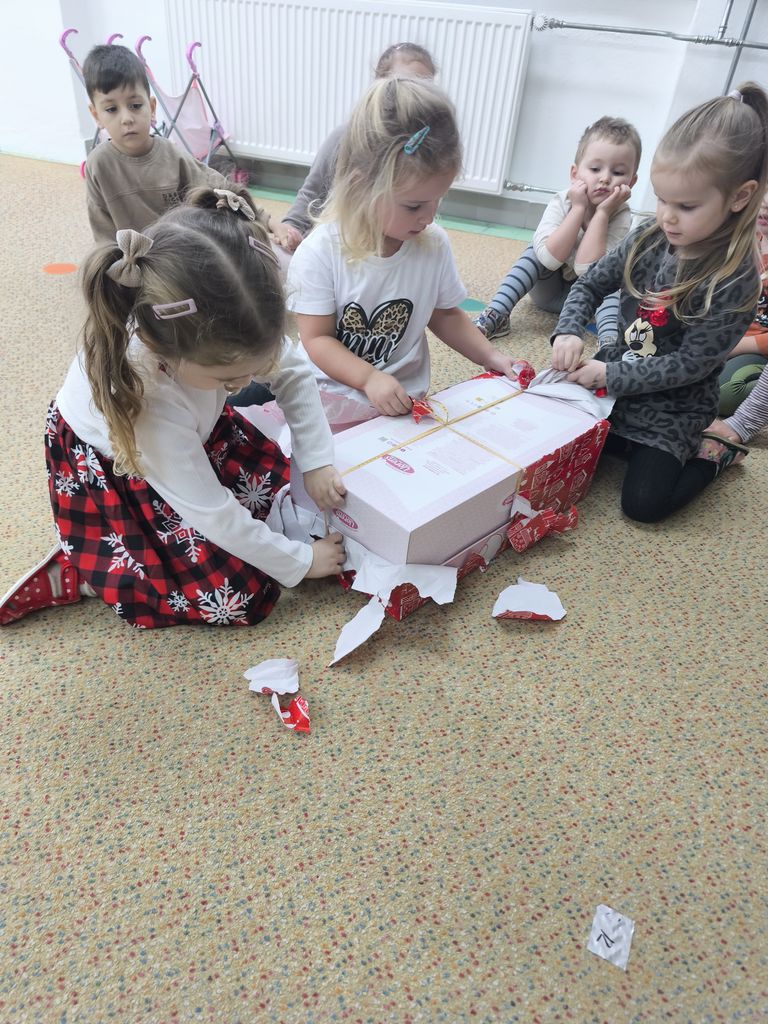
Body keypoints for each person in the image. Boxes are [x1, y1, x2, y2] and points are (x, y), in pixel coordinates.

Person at [0, 188, 346, 628]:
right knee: (237, 595)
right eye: (229, 379)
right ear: (168, 352)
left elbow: (292, 372)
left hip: (191, 427)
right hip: (124, 465)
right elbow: (211, 511)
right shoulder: (148, 400)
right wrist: (302, 562)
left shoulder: (236, 313)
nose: (243, 386)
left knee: (276, 494)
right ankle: (86, 566)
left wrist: (315, 460)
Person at [550, 83, 768, 523]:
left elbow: (690, 366)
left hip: (674, 405)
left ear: (740, 197)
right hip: (617, 379)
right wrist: (568, 330)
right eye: (662, 198)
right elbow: (589, 284)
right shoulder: (650, 237)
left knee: (644, 505)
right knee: (554, 448)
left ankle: (713, 455)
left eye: (685, 205)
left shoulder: (736, 278)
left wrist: (609, 374)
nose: (667, 216)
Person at [285, 76, 520, 427]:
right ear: (361, 186)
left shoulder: (433, 244)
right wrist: (368, 378)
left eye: (438, 200)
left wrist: (490, 355)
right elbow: (316, 338)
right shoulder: (320, 252)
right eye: (414, 206)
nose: (429, 217)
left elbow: (446, 315)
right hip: (327, 398)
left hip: (403, 400)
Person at [83, 44, 286, 247]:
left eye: (135, 106)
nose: (127, 118)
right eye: (111, 109)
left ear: (152, 108)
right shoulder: (98, 164)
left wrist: (268, 221)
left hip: (179, 255)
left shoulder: (170, 154)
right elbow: (104, 239)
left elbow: (223, 189)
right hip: (130, 261)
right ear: (96, 115)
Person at [474, 117, 642, 343]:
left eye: (618, 172)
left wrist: (602, 213)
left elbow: (589, 270)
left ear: (631, 182)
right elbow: (549, 259)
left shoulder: (620, 215)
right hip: (548, 293)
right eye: (595, 169)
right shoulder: (562, 201)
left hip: (588, 304)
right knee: (534, 250)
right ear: (575, 174)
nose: (605, 178)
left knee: (612, 275)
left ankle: (609, 342)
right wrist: (578, 208)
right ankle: (496, 314)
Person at [277, 42, 437, 251]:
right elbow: (310, 195)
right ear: (379, 86)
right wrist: (290, 229)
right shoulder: (345, 138)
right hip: (337, 248)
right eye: (404, 85)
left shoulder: (428, 150)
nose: (414, 96)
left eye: (425, 88)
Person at [717, 189, 768, 414]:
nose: (765, 204)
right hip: (721, 338)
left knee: (725, 392)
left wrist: (734, 348)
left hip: (754, 350)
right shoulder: (741, 242)